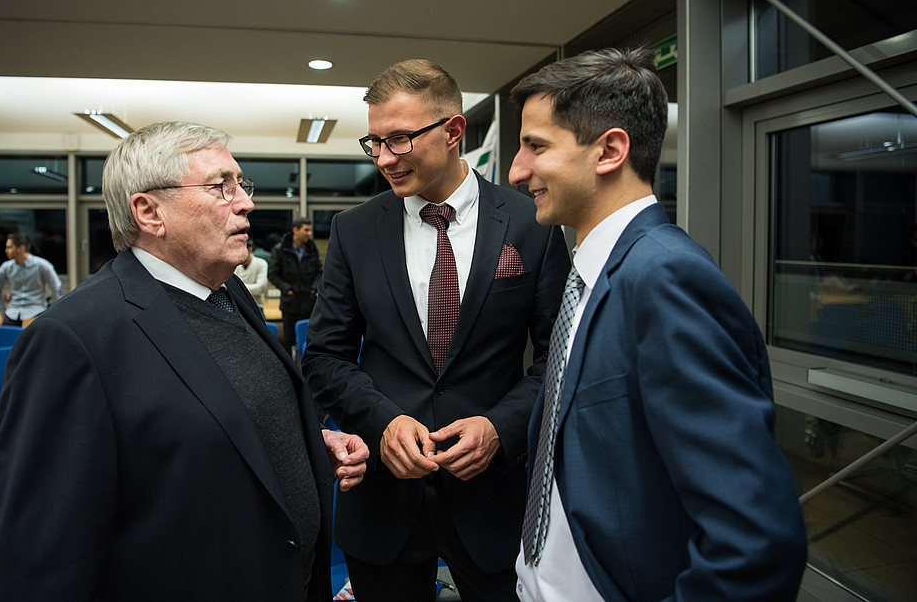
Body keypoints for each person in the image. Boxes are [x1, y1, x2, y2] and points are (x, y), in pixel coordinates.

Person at [0, 121, 369, 602]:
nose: (245, 202)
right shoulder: (71, 339)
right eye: (219, 186)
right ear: (150, 213)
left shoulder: (228, 291)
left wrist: (305, 440)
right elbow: (39, 563)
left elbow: (210, 422)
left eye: (241, 184)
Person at [509, 48, 807, 602]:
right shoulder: (594, 276)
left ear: (610, 151)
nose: (516, 171)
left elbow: (755, 544)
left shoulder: (665, 277)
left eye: (537, 146)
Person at [303, 59, 570, 602]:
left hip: (492, 498)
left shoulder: (532, 224)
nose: (384, 158)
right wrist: (384, 423)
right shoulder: (355, 230)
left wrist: (500, 428)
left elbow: (559, 359)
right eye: (374, 143)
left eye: (399, 139)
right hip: (384, 501)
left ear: (453, 131)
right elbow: (325, 357)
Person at [269, 217, 322, 356]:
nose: (309, 233)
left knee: (310, 338)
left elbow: (320, 272)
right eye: (306, 230)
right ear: (295, 230)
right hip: (289, 302)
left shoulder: (312, 248)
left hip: (309, 301)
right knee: (288, 340)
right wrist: (287, 289)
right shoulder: (280, 249)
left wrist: (314, 289)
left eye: (310, 230)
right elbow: (273, 274)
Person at [0, 232, 62, 326]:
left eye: (9, 247)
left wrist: (54, 312)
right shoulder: (6, 267)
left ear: (21, 248)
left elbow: (56, 287)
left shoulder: (42, 265)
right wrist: (2, 312)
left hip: (37, 311)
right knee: (5, 332)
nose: (6, 251)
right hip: (13, 312)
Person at [235, 238, 269, 305]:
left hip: (257, 304)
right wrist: (253, 286)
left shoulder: (261, 263)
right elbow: (232, 288)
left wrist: (240, 287)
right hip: (238, 304)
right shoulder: (234, 264)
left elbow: (260, 288)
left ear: (250, 249)